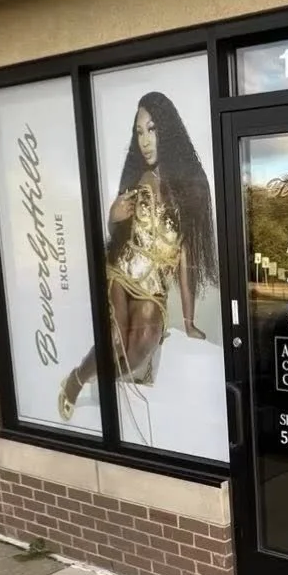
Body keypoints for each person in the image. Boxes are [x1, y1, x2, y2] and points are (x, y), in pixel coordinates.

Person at [58, 91, 218, 420]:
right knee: (116, 340)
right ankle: (76, 379)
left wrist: (188, 322)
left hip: (154, 286)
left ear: (167, 130)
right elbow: (117, 232)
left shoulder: (191, 187)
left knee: (139, 350)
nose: (145, 141)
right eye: (139, 132)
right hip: (120, 271)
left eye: (152, 129)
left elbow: (186, 260)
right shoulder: (137, 176)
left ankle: (101, 377)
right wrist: (112, 217)